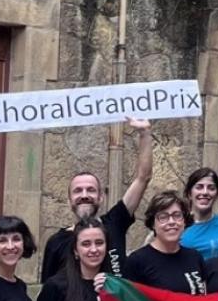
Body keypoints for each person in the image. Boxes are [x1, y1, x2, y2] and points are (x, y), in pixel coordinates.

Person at [40, 117, 153, 281]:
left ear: (101, 197)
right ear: (69, 199)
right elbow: (47, 290)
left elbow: (143, 177)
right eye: (78, 191)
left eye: (91, 190)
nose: (84, 195)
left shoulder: (115, 221)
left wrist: (145, 134)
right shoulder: (56, 242)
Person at [180, 168, 218, 260]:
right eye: (199, 187)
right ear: (189, 193)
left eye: (211, 188)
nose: (205, 192)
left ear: (217, 194)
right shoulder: (179, 225)